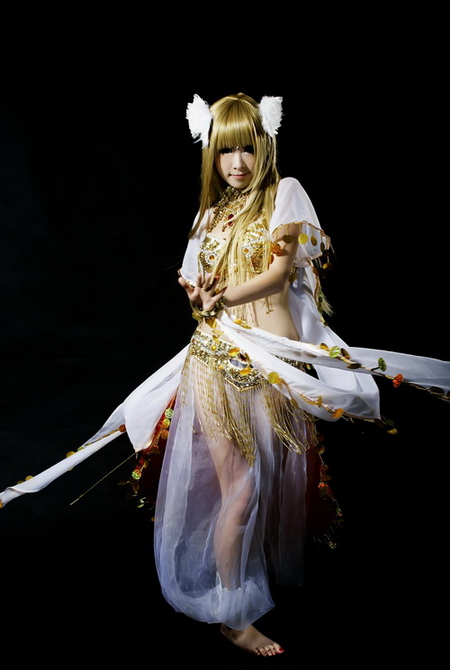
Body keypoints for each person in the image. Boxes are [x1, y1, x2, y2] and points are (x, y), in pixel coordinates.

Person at [2, 92, 449, 657]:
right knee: (242, 486)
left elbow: (279, 274)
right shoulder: (209, 217)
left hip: (273, 366)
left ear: (265, 147)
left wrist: (220, 297)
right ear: (211, 155)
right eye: (224, 151)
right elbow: (199, 294)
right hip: (215, 363)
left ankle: (241, 593)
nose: (236, 162)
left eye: (246, 148)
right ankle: (234, 617)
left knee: (266, 484)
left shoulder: (284, 195)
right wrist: (198, 299)